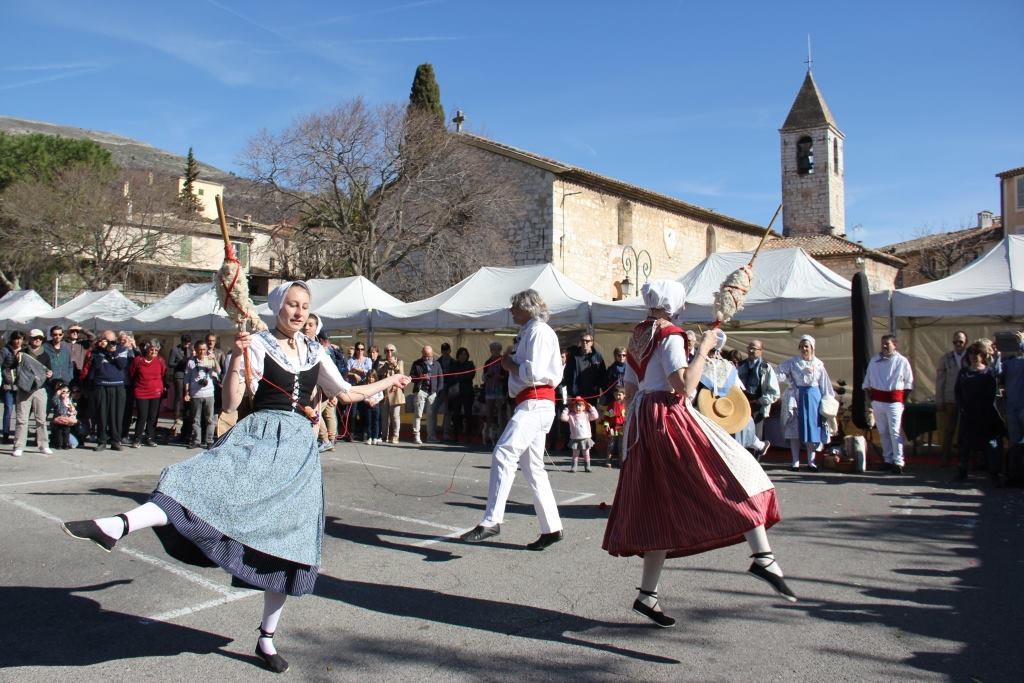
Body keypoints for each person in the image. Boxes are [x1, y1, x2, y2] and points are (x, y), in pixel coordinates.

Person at [61, 280, 411, 674]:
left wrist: (390, 381)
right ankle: (117, 525)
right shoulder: (258, 345)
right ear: (278, 308)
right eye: (291, 305)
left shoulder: (316, 351)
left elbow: (346, 393)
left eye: (304, 306)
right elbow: (231, 401)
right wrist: (234, 361)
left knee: (289, 544)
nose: (298, 312)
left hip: (298, 454)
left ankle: (266, 638)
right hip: (260, 437)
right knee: (193, 484)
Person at [602, 280, 795, 629]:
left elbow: (630, 391)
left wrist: (641, 420)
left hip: (643, 423)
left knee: (660, 506)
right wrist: (704, 348)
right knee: (730, 472)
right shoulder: (671, 334)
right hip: (669, 417)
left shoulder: (638, 334)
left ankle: (648, 595)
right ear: (675, 304)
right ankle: (762, 556)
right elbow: (685, 386)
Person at [460, 289, 565, 550]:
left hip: (535, 401)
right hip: (533, 401)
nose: (511, 311)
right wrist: (510, 361)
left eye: (514, 306)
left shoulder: (539, 332)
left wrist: (508, 364)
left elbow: (534, 372)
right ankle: (551, 527)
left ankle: (492, 520)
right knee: (533, 467)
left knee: (504, 453)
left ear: (527, 308)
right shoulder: (530, 331)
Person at [777, 335, 835, 472]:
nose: (804, 349)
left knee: (812, 429)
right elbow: (778, 372)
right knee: (795, 429)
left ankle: (811, 461)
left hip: (813, 399)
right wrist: (789, 381)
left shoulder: (819, 365)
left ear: (812, 348)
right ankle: (795, 462)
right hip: (797, 397)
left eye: (806, 346)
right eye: (802, 346)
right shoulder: (793, 362)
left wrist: (827, 401)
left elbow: (825, 385)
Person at [863, 335, 914, 474]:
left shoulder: (901, 361)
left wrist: (901, 399)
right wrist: (870, 400)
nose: (884, 346)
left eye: (887, 344)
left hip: (894, 401)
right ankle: (888, 459)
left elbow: (909, 383)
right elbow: (867, 381)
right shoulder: (874, 360)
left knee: (895, 431)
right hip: (878, 401)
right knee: (883, 431)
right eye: (883, 344)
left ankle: (898, 461)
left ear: (894, 345)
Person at [953, 341, 1004, 482]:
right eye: (971, 353)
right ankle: (962, 471)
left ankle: (995, 474)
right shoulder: (963, 372)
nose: (974, 356)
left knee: (991, 444)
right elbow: (957, 391)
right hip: (968, 414)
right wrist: (961, 406)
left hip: (986, 414)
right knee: (965, 445)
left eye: (977, 354)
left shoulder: (988, 372)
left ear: (983, 355)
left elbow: (992, 392)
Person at [11, 329, 54, 457]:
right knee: (22, 419)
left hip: (40, 390)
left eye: (40, 338)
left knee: (41, 419)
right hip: (24, 390)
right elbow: (12, 368)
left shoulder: (45, 355)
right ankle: (19, 446)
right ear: (29, 339)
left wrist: (50, 374)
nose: (37, 340)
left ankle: (43, 445)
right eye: (35, 338)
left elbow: (49, 372)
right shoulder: (22, 353)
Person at [88, 330, 130, 452]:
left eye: (112, 341)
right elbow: (95, 366)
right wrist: (103, 351)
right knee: (102, 415)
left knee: (116, 415)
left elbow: (122, 365)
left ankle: (115, 441)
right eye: (107, 341)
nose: (110, 343)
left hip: (118, 386)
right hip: (101, 385)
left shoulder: (121, 350)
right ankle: (102, 441)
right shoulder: (97, 352)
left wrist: (114, 352)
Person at [936, 331, 968, 465]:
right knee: (949, 429)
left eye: (960, 341)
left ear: (965, 342)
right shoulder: (946, 358)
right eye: (955, 342)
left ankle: (965, 458)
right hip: (951, 398)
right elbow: (940, 380)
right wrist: (940, 400)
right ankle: (945, 457)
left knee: (966, 429)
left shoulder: (971, 356)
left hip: (967, 398)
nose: (958, 344)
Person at [738, 339, 780, 441]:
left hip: (758, 407)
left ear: (761, 351)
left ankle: (755, 456)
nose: (751, 351)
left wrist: (760, 401)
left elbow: (775, 393)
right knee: (741, 434)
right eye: (749, 348)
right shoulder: (741, 365)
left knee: (756, 436)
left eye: (754, 348)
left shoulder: (766, 368)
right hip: (742, 404)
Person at [129, 339, 167, 447]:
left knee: (153, 416)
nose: (154, 352)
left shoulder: (160, 361)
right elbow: (131, 373)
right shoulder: (138, 360)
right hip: (141, 391)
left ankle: (150, 437)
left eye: (156, 350)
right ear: (146, 349)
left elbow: (163, 373)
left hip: (155, 392)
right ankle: (137, 438)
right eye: (152, 349)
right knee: (142, 415)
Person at [184, 340, 219, 449]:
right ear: (195, 349)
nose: (202, 351)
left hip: (209, 393)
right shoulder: (191, 362)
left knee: (210, 419)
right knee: (196, 419)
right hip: (196, 394)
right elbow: (186, 379)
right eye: (200, 349)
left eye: (204, 349)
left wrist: (214, 359)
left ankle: (209, 441)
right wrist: (186, 393)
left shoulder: (208, 360)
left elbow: (218, 370)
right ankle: (196, 441)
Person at [409, 346, 442, 445]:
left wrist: (437, 392)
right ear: (422, 354)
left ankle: (431, 436)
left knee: (431, 415)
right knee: (418, 414)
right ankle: (416, 436)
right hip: (420, 391)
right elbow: (411, 377)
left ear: (432, 354)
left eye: (428, 356)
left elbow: (441, 379)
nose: (427, 358)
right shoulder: (417, 363)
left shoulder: (437, 364)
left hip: (432, 393)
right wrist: (420, 377)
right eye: (424, 356)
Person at [560, 396, 599, 472]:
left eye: (580, 405)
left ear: (584, 407)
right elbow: (563, 418)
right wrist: (567, 409)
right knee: (575, 454)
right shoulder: (571, 415)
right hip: (575, 439)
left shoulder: (586, 414)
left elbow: (595, 416)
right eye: (576, 405)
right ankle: (574, 467)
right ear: (573, 407)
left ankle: (587, 466)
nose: (578, 407)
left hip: (585, 438)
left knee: (586, 453)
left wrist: (592, 408)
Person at [481, 342, 509, 448]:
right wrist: (487, 375)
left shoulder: (503, 360)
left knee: (501, 414)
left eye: (497, 349)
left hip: (500, 390)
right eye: (493, 349)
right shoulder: (487, 361)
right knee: (489, 413)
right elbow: (483, 377)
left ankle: (502, 435)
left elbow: (506, 375)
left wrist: (499, 377)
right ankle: (487, 436)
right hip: (489, 390)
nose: (495, 351)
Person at [566, 332, 607, 402]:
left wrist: (597, 386)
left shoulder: (597, 356)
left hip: (592, 394)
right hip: (577, 394)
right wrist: (570, 391)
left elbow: (602, 374)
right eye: (582, 340)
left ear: (591, 343)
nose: (584, 343)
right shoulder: (573, 356)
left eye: (587, 341)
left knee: (592, 413)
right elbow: (567, 374)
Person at [447, 347, 476, 443]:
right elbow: (450, 378)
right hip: (456, 393)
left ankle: (469, 435)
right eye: (461, 354)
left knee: (468, 414)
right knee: (456, 415)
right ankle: (455, 435)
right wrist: (460, 377)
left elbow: (470, 376)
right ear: (458, 355)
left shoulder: (470, 364)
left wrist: (458, 376)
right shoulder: (454, 364)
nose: (463, 356)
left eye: (465, 354)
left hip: (467, 393)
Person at [378, 344, 405, 444]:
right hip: (384, 392)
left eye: (391, 350)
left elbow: (402, 374)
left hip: (396, 391)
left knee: (395, 416)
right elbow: (378, 373)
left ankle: (395, 436)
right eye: (387, 350)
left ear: (394, 351)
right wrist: (386, 365)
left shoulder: (399, 361)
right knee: (384, 416)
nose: (389, 352)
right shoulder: (381, 361)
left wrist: (395, 365)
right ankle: (384, 435)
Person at [1, 331, 24, 444]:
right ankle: (5, 434)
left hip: (21, 385)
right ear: (12, 339)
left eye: (20, 339)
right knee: (9, 409)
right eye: (16, 339)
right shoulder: (5, 350)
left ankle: (18, 435)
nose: (18, 341)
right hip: (8, 384)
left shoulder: (24, 351)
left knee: (21, 411)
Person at [602, 387, 626, 468]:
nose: (618, 396)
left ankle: (621, 461)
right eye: (616, 395)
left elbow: (628, 416)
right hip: (612, 428)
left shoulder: (626, 405)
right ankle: (608, 460)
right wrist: (606, 425)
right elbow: (606, 416)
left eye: (619, 395)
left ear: (624, 395)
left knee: (621, 445)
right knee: (611, 445)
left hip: (622, 428)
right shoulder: (611, 406)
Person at [50, 379, 78, 449]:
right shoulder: (58, 400)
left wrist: (73, 410)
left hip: (67, 420)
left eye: (67, 392)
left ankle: (65, 444)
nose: (65, 394)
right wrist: (57, 394)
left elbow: (73, 409)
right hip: (59, 419)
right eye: (63, 392)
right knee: (59, 433)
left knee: (66, 433)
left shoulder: (69, 400)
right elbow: (53, 402)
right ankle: (59, 445)